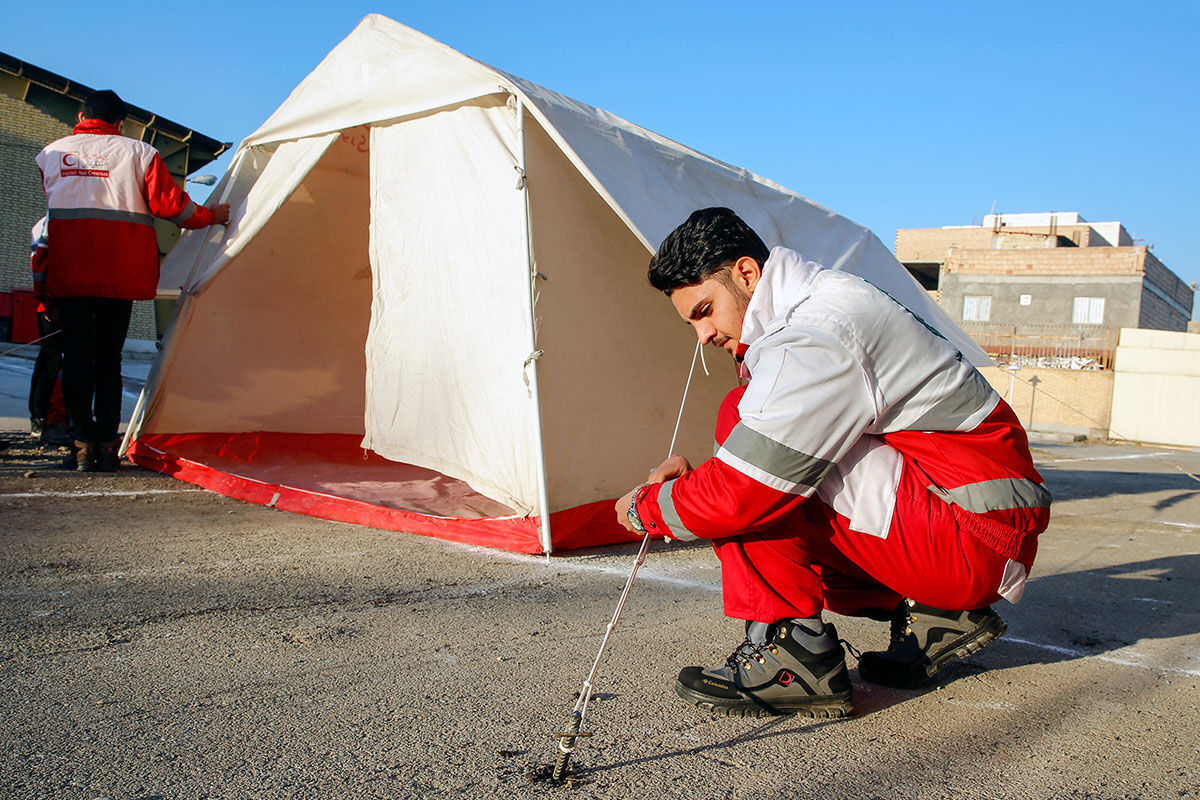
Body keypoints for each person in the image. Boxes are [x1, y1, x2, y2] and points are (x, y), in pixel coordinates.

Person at [616, 207, 1050, 718]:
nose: (703, 334)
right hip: (978, 525)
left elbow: (744, 491)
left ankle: (796, 655)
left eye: (705, 310)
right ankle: (939, 612)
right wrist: (705, 485)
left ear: (747, 274)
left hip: (973, 537)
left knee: (749, 449)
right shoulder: (819, 304)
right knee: (760, 455)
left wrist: (648, 508)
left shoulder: (817, 332)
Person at [35, 89, 230, 471]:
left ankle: (80, 446)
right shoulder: (140, 153)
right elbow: (173, 208)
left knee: (75, 359)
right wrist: (212, 215)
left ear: (80, 115)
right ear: (121, 123)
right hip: (118, 274)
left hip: (70, 271)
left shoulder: (51, 153)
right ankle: (108, 446)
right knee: (108, 360)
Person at [27, 216, 71, 448]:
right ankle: (49, 419)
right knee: (53, 361)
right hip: (55, 302)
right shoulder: (51, 221)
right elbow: (40, 262)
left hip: (57, 300)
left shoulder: (49, 221)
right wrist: (45, 300)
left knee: (51, 360)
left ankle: (45, 417)